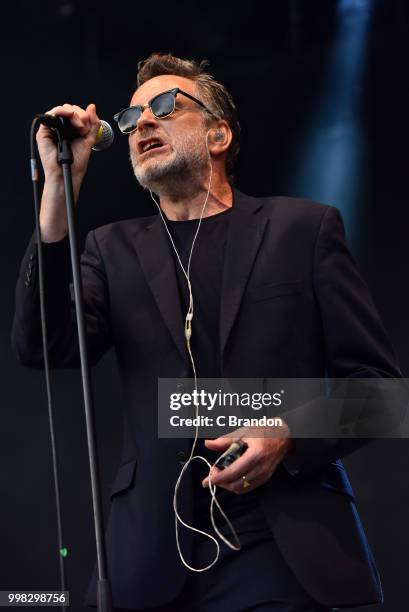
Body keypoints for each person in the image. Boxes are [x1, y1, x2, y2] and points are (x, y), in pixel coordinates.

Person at [11, 53, 401, 612]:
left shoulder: (302, 230)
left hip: (279, 545)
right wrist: (59, 188)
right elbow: (41, 347)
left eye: (165, 106)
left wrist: (287, 432)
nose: (143, 122)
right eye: (131, 117)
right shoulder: (110, 249)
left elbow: (382, 393)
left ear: (217, 134)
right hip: (150, 553)